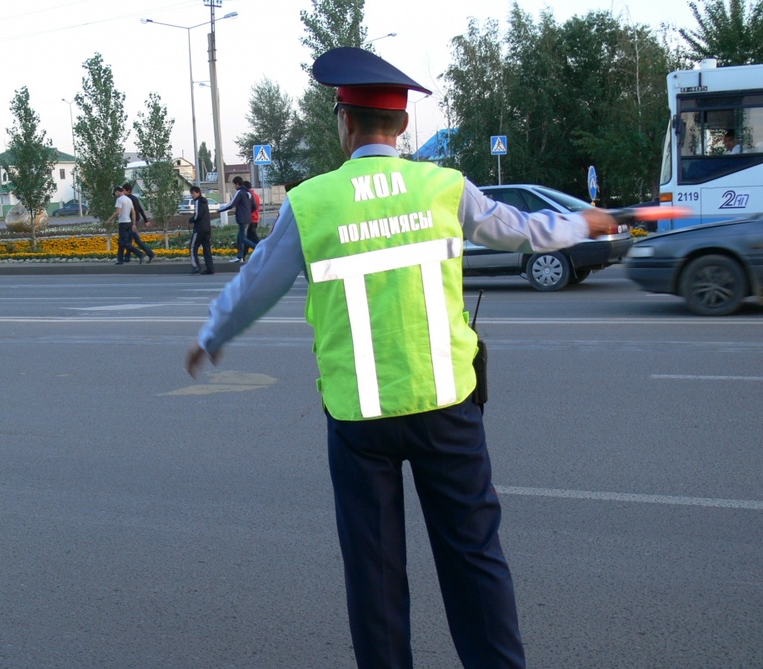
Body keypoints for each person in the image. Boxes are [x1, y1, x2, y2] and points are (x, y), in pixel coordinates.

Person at [185, 46, 620, 669]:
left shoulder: (313, 203)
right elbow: (522, 229)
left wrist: (213, 334)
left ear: (344, 123)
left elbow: (258, 283)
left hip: (361, 418)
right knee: (474, 559)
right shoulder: (443, 186)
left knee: (376, 576)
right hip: (447, 405)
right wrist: (587, 223)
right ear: (404, 127)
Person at [218, 176, 257, 263]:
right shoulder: (249, 193)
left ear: (237, 184)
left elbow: (231, 204)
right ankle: (240, 256)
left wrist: (220, 210)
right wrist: (247, 212)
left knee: (242, 238)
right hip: (248, 218)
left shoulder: (239, 192)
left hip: (242, 218)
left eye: (234, 185)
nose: (234, 187)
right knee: (239, 237)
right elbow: (254, 206)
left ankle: (257, 248)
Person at [122, 182, 155, 263]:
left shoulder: (128, 199)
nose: (122, 192)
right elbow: (140, 209)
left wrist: (133, 223)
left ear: (128, 190)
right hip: (135, 221)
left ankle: (148, 254)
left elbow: (134, 211)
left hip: (132, 222)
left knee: (132, 240)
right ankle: (128, 257)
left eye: (123, 190)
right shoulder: (135, 198)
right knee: (130, 240)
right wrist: (145, 220)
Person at [112, 186, 143, 265]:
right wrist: (133, 224)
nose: (115, 195)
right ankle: (120, 260)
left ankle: (139, 254)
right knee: (121, 242)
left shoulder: (119, 200)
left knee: (124, 243)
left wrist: (109, 219)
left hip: (123, 223)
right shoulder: (128, 199)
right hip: (129, 222)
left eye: (115, 193)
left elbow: (118, 212)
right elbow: (133, 212)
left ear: (118, 192)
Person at [188, 185, 214, 275]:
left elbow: (197, 215)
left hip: (199, 229)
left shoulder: (198, 201)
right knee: (207, 249)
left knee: (192, 247)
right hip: (207, 228)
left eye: (193, 193)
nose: (192, 195)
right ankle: (210, 268)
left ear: (198, 193)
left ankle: (196, 267)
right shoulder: (204, 201)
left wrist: (191, 220)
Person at [244, 180, 262, 245]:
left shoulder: (249, 196)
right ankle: (243, 254)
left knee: (254, 238)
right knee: (249, 238)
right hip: (255, 218)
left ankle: (262, 249)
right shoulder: (256, 195)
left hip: (251, 219)